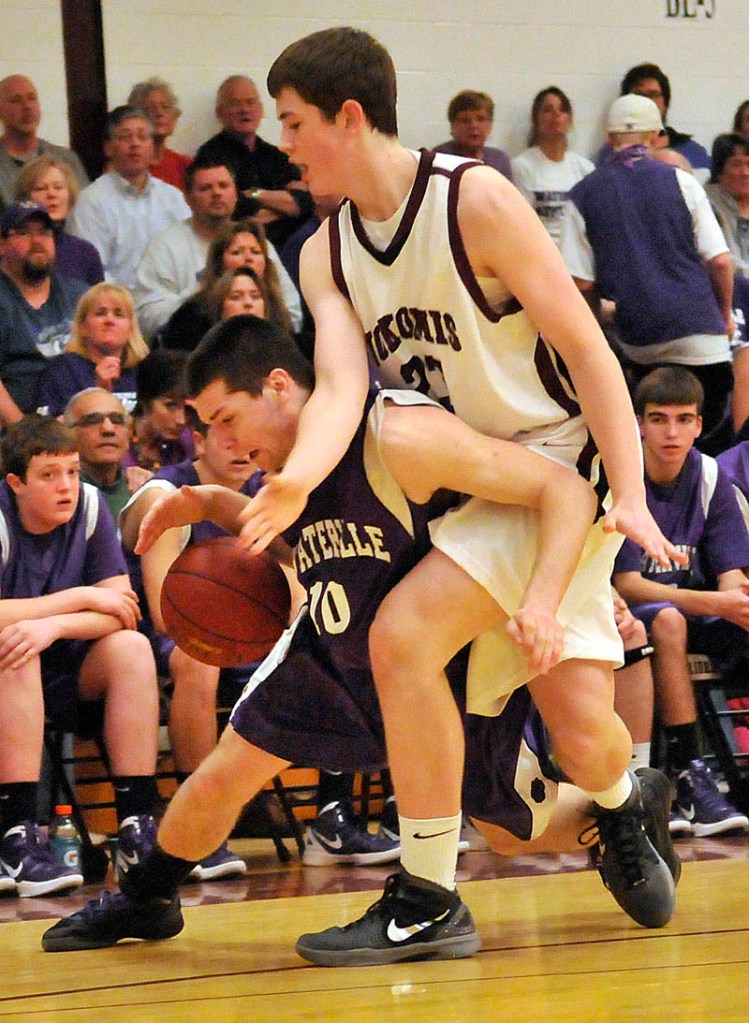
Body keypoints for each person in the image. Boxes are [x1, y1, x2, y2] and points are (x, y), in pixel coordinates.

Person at [211, 29, 679, 967]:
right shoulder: (324, 251)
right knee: (582, 733)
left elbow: (588, 350)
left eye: (295, 125)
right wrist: (296, 477)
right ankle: (627, 800)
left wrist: (628, 490)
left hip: (558, 461)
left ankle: (427, 896)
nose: (285, 146)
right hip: (468, 476)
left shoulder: (476, 200)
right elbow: (339, 386)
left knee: (403, 637)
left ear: (349, 116)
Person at [40, 317, 679, 953]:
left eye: (227, 417)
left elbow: (560, 488)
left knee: (513, 833)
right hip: (334, 651)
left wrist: (542, 601)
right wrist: (210, 504)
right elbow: (297, 548)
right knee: (226, 770)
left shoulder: (395, 434)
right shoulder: (285, 474)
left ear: (279, 386)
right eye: (207, 426)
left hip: (437, 667)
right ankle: (148, 896)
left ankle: (621, 812)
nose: (219, 439)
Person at [0, 415, 161, 897]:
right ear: (16, 483)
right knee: (16, 647)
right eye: (49, 475)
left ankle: (136, 828)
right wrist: (76, 600)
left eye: (72, 471)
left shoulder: (90, 507)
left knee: (132, 648)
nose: (66, 486)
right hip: (11, 671)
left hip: (65, 664)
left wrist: (52, 626)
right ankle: (15, 836)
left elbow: (122, 610)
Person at [613, 367, 749, 838]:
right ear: (639, 424)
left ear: (699, 424)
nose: (671, 432)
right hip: (623, 612)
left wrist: (737, 601)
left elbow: (731, 578)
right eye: (659, 419)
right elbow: (628, 584)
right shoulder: (620, 477)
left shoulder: (710, 477)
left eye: (683, 419)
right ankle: (688, 774)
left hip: (692, 610)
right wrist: (717, 601)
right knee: (669, 621)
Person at [560, 94, 734, 450]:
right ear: (656, 135)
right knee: (704, 446)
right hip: (701, 337)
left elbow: (580, 283)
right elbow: (719, 261)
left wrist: (598, 336)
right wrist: (726, 313)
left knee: (651, 448)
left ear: (609, 138)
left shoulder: (582, 195)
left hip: (640, 345)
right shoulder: (682, 182)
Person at [68, 106, 190, 290]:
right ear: (108, 148)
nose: (135, 144)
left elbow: (188, 253)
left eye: (142, 136)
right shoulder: (91, 201)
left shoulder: (172, 197)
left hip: (172, 298)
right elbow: (91, 269)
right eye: (126, 137)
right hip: (118, 302)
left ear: (152, 147)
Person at [194, 76, 313, 248]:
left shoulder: (276, 155)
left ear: (261, 110)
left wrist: (255, 193)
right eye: (235, 104)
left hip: (288, 246)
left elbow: (305, 202)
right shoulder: (210, 157)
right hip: (240, 248)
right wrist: (282, 206)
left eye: (251, 102)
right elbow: (237, 213)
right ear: (220, 113)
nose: (244, 110)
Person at [0, 200, 87, 423]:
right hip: (19, 428)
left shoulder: (79, 295)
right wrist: (24, 432)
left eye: (45, 232)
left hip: (80, 421)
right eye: (23, 232)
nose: (37, 241)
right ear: (2, 244)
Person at [133, 159, 239, 340]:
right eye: (205, 188)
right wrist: (200, 293)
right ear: (187, 198)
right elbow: (146, 317)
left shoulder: (255, 243)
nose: (217, 193)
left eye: (223, 186)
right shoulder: (164, 247)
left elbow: (289, 307)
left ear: (235, 193)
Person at [159, 220, 296, 350]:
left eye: (255, 252)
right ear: (219, 263)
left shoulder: (276, 307)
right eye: (237, 252)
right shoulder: (194, 312)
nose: (249, 258)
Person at [34, 282, 148, 417]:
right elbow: (52, 425)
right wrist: (99, 392)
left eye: (119, 315)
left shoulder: (145, 369)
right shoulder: (62, 370)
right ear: (83, 327)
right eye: (100, 313)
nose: (109, 320)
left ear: (131, 329)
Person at [599, 63, 711, 184]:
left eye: (653, 95)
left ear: (665, 102)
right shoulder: (612, 152)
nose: (646, 101)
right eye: (638, 95)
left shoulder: (691, 150)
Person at [511, 87, 594, 246]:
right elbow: (521, 224)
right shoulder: (522, 166)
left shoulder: (584, 168)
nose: (556, 115)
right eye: (548, 110)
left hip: (578, 254)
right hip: (540, 252)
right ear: (536, 120)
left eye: (562, 110)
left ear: (569, 120)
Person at [0, 75, 88, 208]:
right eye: (16, 100)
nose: (27, 106)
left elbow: (85, 210)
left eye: (32, 98)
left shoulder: (66, 159)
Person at [14, 155, 103, 285]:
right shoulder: (13, 249)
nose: (51, 194)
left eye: (58, 187)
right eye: (41, 188)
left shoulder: (85, 252)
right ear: (25, 197)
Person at [64, 388, 151, 521]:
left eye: (117, 420)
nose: (108, 429)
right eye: (93, 421)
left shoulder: (143, 487)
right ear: (69, 434)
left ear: (129, 433)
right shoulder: (61, 491)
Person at [124, 349, 193, 472]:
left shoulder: (190, 443)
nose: (181, 420)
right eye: (170, 405)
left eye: (188, 408)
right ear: (145, 401)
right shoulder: (116, 444)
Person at [127, 78, 191, 191]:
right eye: (150, 108)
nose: (159, 113)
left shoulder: (185, 165)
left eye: (165, 107)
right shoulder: (123, 166)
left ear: (175, 115)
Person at [433, 90, 512, 181]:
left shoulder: (499, 159)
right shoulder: (439, 158)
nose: (473, 126)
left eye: (481, 119)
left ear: (490, 124)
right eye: (465, 121)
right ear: (452, 126)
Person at [705, 133, 749, 280]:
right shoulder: (707, 206)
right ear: (719, 171)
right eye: (737, 165)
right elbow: (721, 260)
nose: (746, 173)